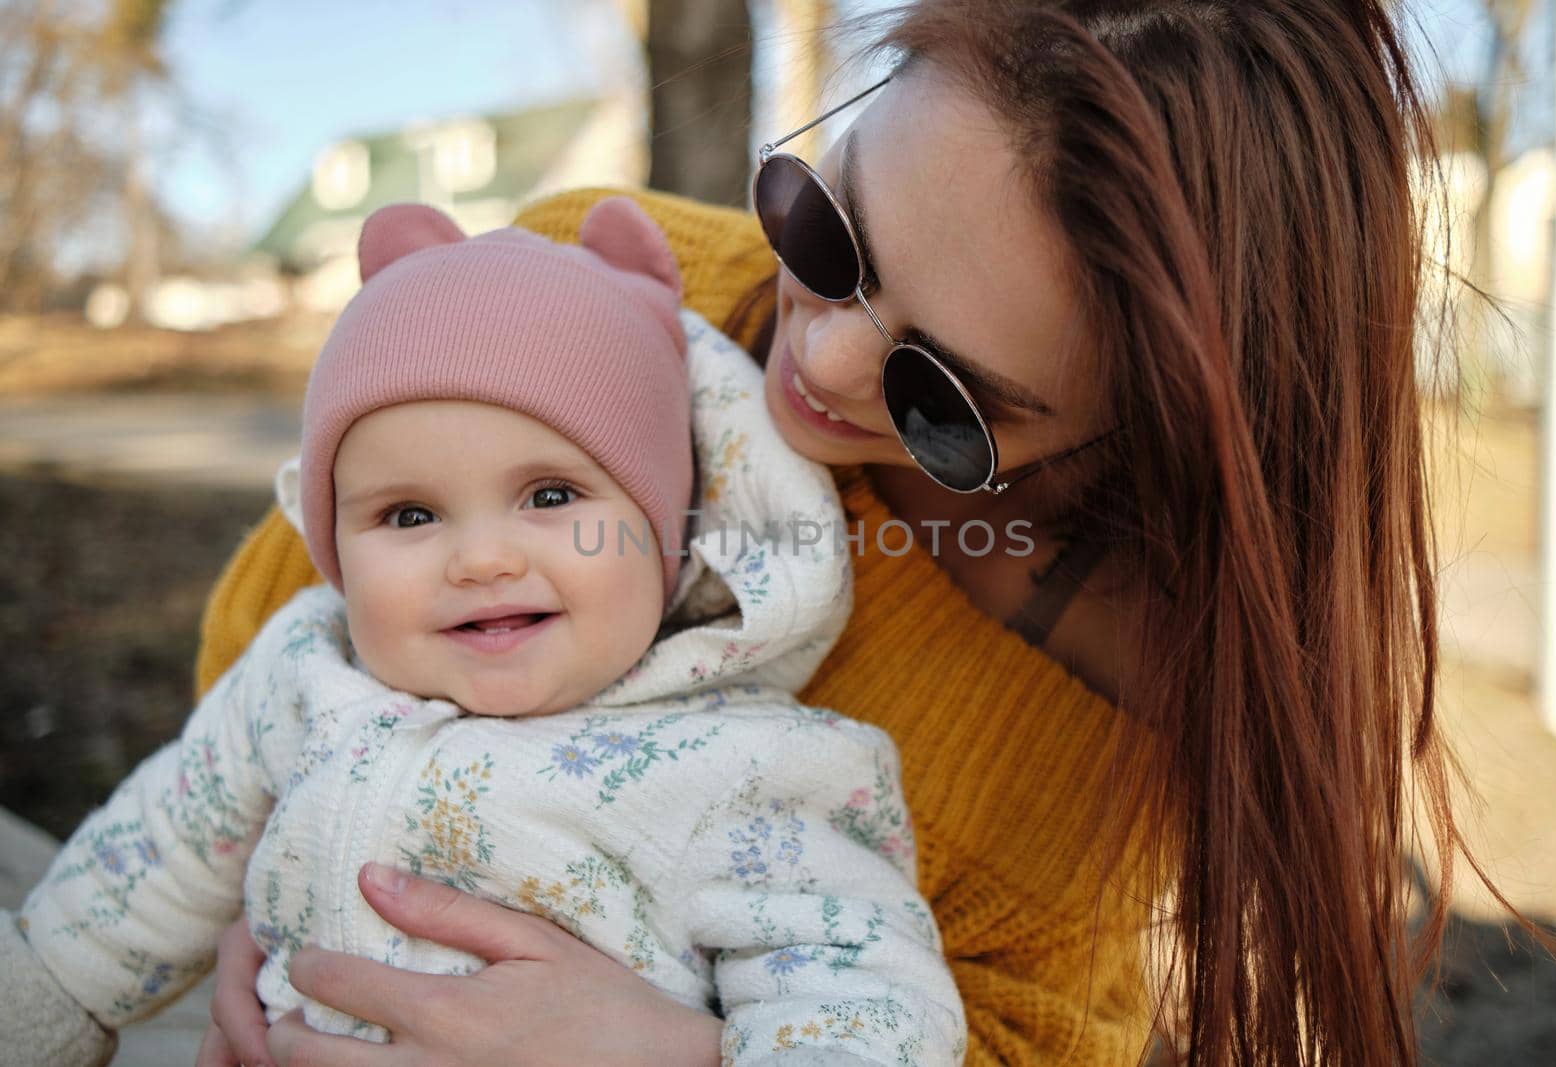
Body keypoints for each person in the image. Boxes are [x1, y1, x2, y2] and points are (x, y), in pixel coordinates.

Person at [171, 0, 1485, 1063]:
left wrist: (677, 1053)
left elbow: (1024, 1036)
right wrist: (284, 892)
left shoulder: (1118, 690)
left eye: (948, 397)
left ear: (1136, 431)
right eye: (830, 226)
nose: (825, 357)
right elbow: (276, 630)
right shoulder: (601, 278)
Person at [0, 197, 967, 1066]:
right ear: (335, 542)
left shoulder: (744, 766)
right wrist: (41, 999)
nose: (482, 559)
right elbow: (164, 841)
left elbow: (866, 995)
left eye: (550, 495)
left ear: (670, 535)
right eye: (410, 515)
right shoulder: (309, 667)